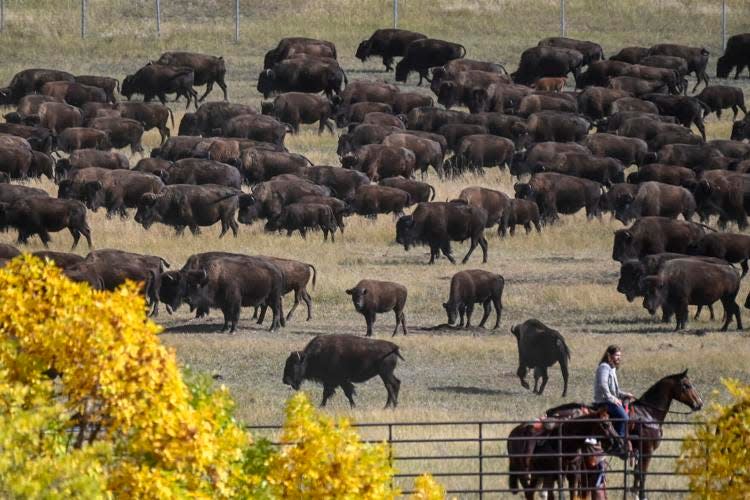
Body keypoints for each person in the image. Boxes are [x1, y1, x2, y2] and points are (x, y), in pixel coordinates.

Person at [593, 345, 634, 458]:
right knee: (625, 417)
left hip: (609, 399)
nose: (619, 358)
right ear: (609, 355)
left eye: (620, 356)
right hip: (604, 401)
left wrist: (625, 394)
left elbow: (615, 390)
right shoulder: (604, 367)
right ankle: (618, 444)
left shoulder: (612, 369)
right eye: (616, 355)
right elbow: (603, 385)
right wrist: (613, 399)